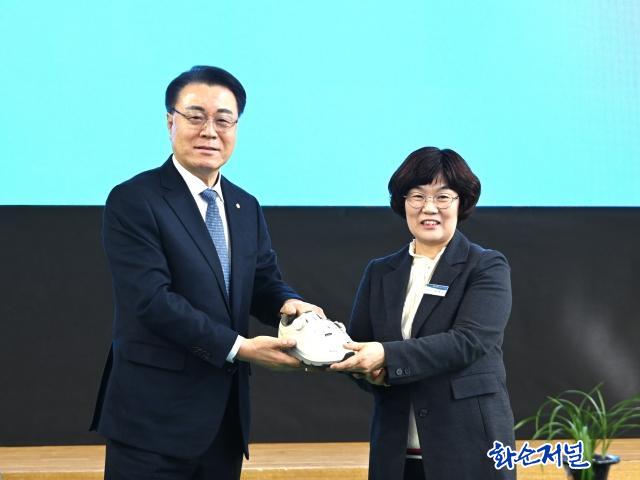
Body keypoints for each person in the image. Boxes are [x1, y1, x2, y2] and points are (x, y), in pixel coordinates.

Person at [90, 65, 322, 480]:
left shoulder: (245, 205)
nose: (209, 132)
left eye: (223, 120)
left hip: (223, 423)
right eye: (195, 117)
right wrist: (241, 347)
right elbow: (151, 301)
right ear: (170, 122)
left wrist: (289, 304)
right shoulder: (134, 200)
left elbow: (262, 280)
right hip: (151, 423)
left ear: (236, 127)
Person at [331, 147, 516, 480]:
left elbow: (469, 341)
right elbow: (358, 345)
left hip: (469, 448)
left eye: (442, 197)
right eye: (417, 196)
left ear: (461, 202)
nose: (429, 208)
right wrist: (362, 368)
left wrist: (386, 356)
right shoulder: (379, 272)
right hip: (396, 453)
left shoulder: (486, 266)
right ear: (403, 202)